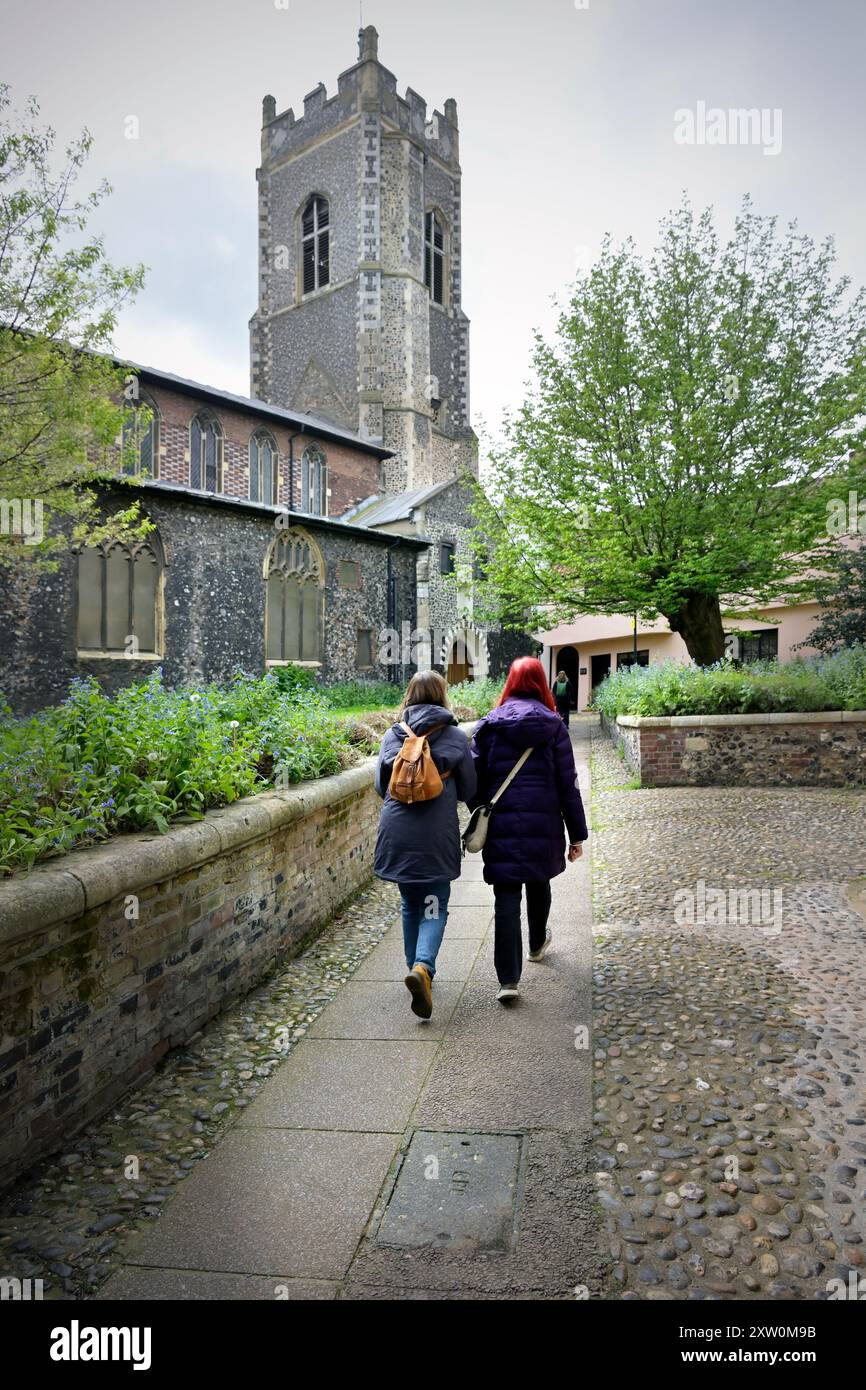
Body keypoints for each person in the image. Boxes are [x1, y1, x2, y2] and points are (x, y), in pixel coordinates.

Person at [469, 656, 588, 1002]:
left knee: (506, 895)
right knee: (539, 882)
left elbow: (473, 779)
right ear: (541, 683)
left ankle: (508, 980)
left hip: (502, 821)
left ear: (510, 682)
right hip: (544, 821)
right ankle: (537, 943)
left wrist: (481, 808)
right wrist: (576, 834)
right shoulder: (554, 726)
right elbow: (569, 785)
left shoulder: (489, 726)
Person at [374, 670, 476, 1019]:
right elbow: (469, 791)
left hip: (397, 832)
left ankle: (415, 970)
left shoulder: (392, 735)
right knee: (434, 902)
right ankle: (422, 968)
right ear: (441, 696)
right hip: (434, 835)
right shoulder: (455, 736)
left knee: (409, 903)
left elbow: (379, 786)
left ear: (409, 696)